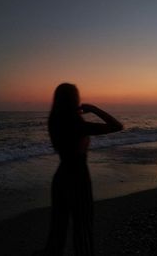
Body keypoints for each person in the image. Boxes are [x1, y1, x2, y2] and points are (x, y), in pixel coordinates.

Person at [44, 83, 123, 256]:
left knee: (58, 229)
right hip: (78, 177)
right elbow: (118, 126)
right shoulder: (77, 125)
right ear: (74, 100)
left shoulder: (54, 120)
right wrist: (93, 109)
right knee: (83, 228)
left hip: (61, 176)